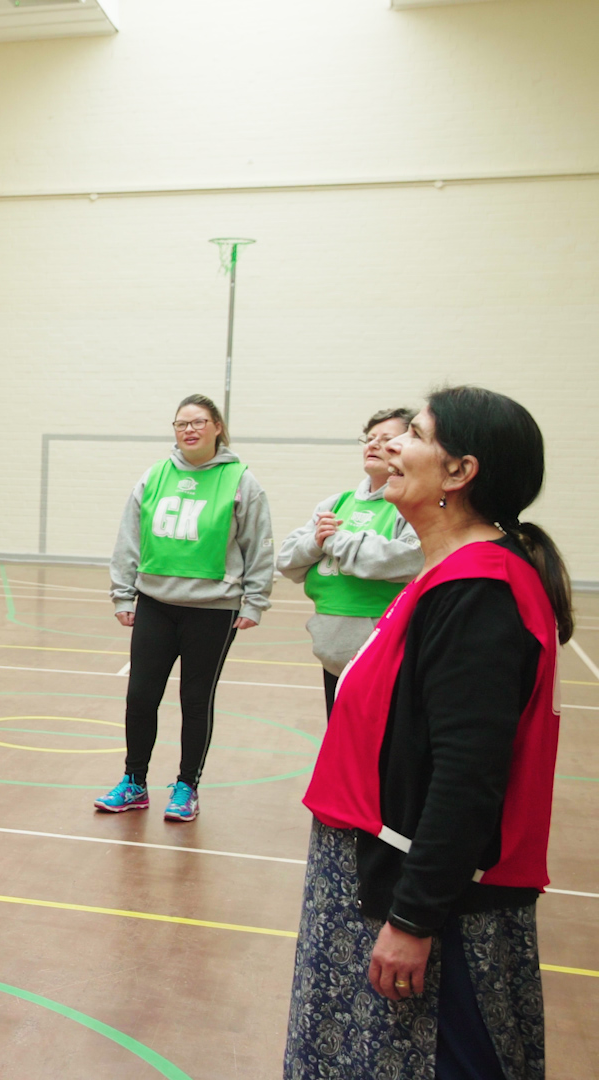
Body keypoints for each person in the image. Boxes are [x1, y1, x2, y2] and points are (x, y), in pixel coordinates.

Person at [286, 386, 567, 1080]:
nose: (392, 446)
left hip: (431, 906)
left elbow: (468, 777)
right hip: (383, 879)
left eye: (413, 434)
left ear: (459, 472)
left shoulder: (479, 592)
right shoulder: (446, 575)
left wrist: (412, 921)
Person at [101, 393, 273, 822]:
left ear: (217, 427)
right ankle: (134, 782)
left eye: (198, 422)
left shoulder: (242, 481)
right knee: (140, 697)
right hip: (156, 603)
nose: (189, 430)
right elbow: (129, 539)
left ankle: (186, 787)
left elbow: (258, 544)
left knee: (195, 700)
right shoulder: (155, 476)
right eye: (181, 424)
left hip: (213, 609)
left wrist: (254, 601)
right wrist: (124, 592)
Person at [277, 408, 423, 716]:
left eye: (386, 439)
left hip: (382, 653)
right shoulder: (336, 503)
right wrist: (315, 542)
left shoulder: (410, 504)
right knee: (339, 741)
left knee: (378, 748)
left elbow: (410, 560)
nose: (373, 445)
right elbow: (287, 562)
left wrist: (336, 540)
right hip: (332, 651)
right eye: (369, 438)